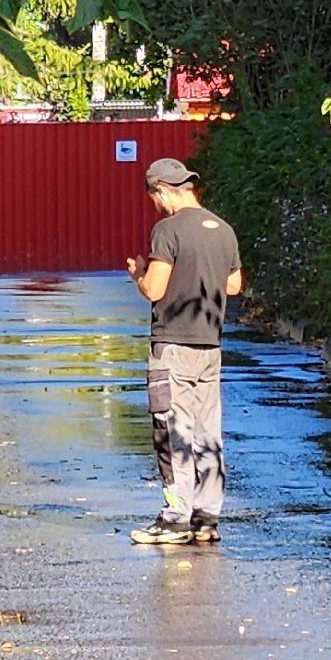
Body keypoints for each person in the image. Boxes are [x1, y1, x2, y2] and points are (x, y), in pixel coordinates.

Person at [125, 158, 242, 545]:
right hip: (210, 344)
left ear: (161, 190)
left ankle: (175, 518)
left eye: (153, 196)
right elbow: (235, 286)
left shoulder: (168, 230)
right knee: (208, 431)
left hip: (172, 344)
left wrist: (139, 274)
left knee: (173, 430)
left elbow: (155, 290)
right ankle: (207, 517)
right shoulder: (223, 230)